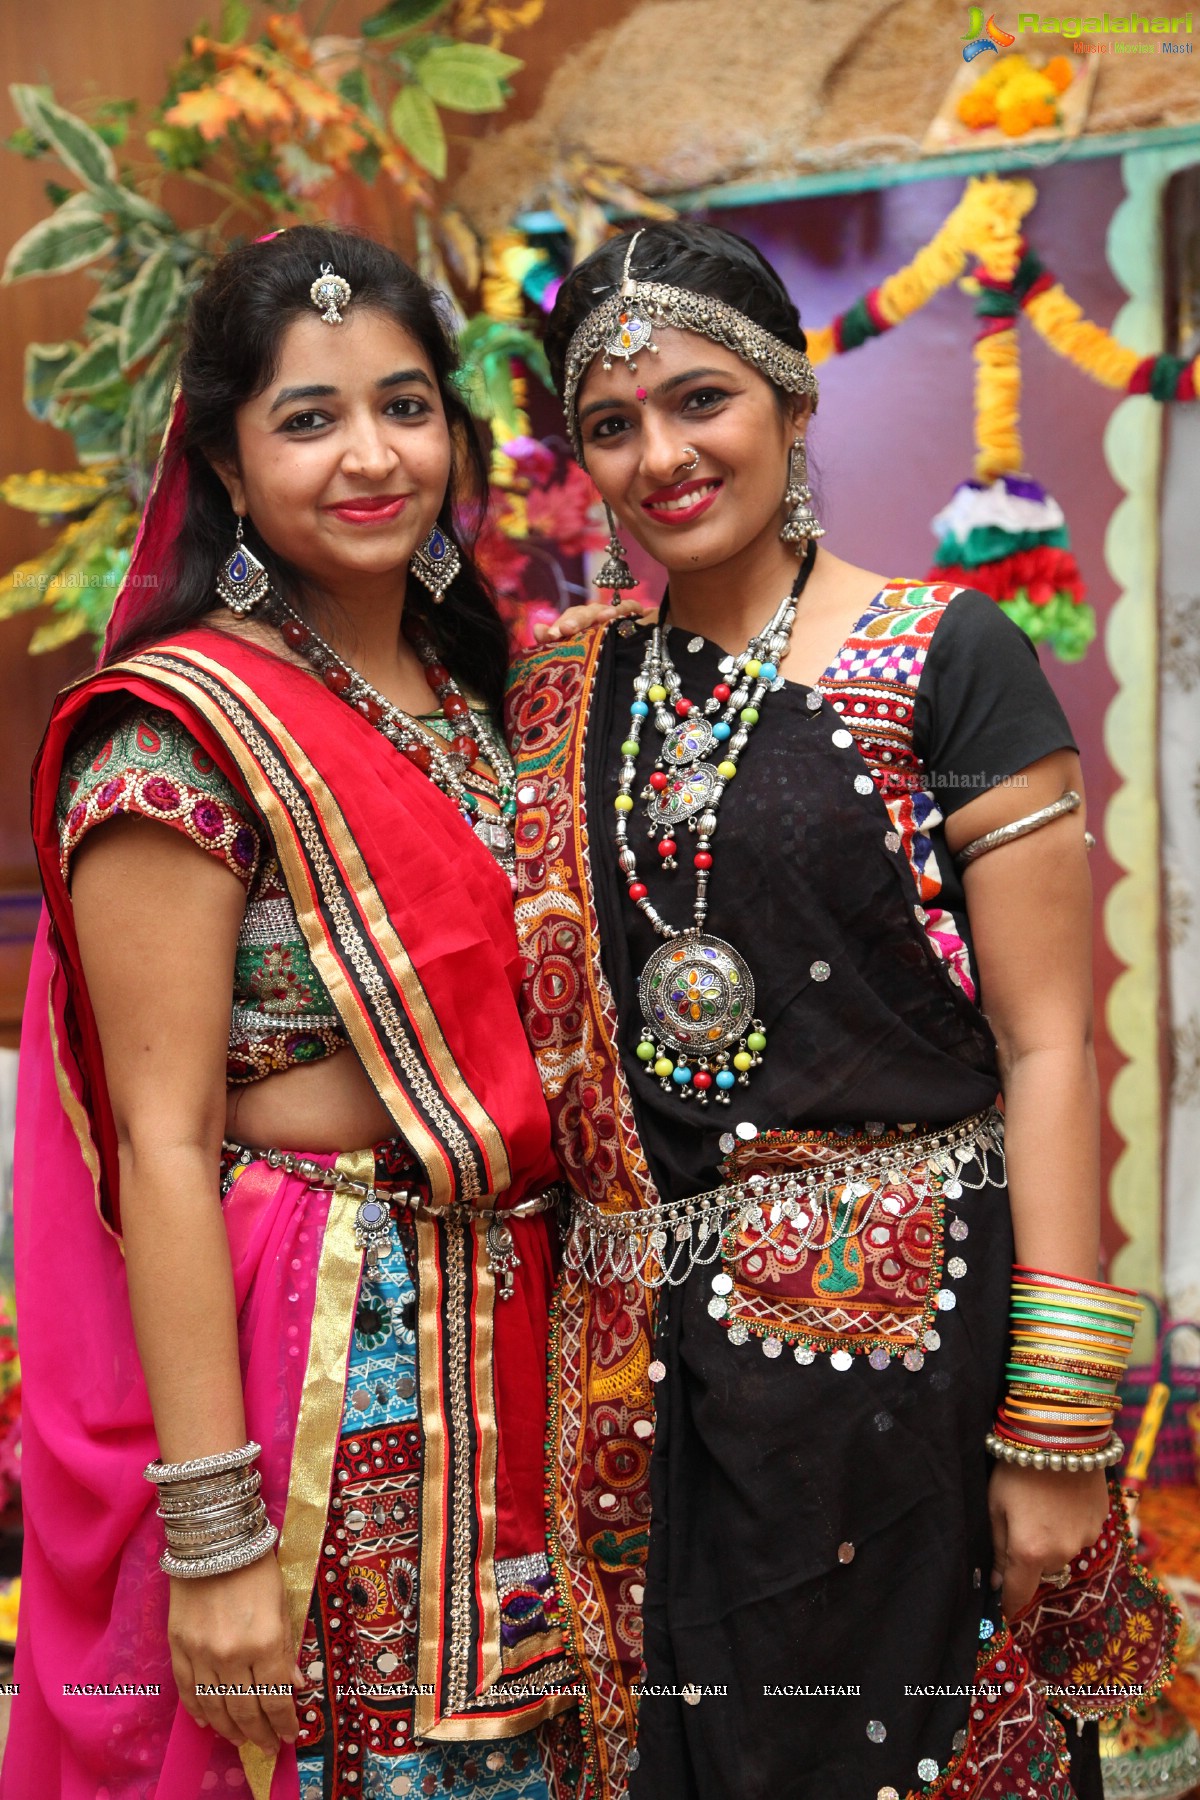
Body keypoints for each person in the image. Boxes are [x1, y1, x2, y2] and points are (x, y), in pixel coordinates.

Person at [505, 220, 1179, 1800]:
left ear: (792, 405)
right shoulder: (555, 694)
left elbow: (1046, 1047)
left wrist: (1060, 1428)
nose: (662, 455)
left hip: (902, 1368)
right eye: (613, 425)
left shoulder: (947, 654)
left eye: (700, 400)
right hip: (635, 1387)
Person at [4, 226, 597, 1800]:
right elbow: (164, 1139)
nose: (371, 456)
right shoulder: (180, 737)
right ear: (226, 455)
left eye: (405, 407)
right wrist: (214, 1541)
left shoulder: (491, 704)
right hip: (326, 1377)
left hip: (527, 1351)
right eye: (309, 417)